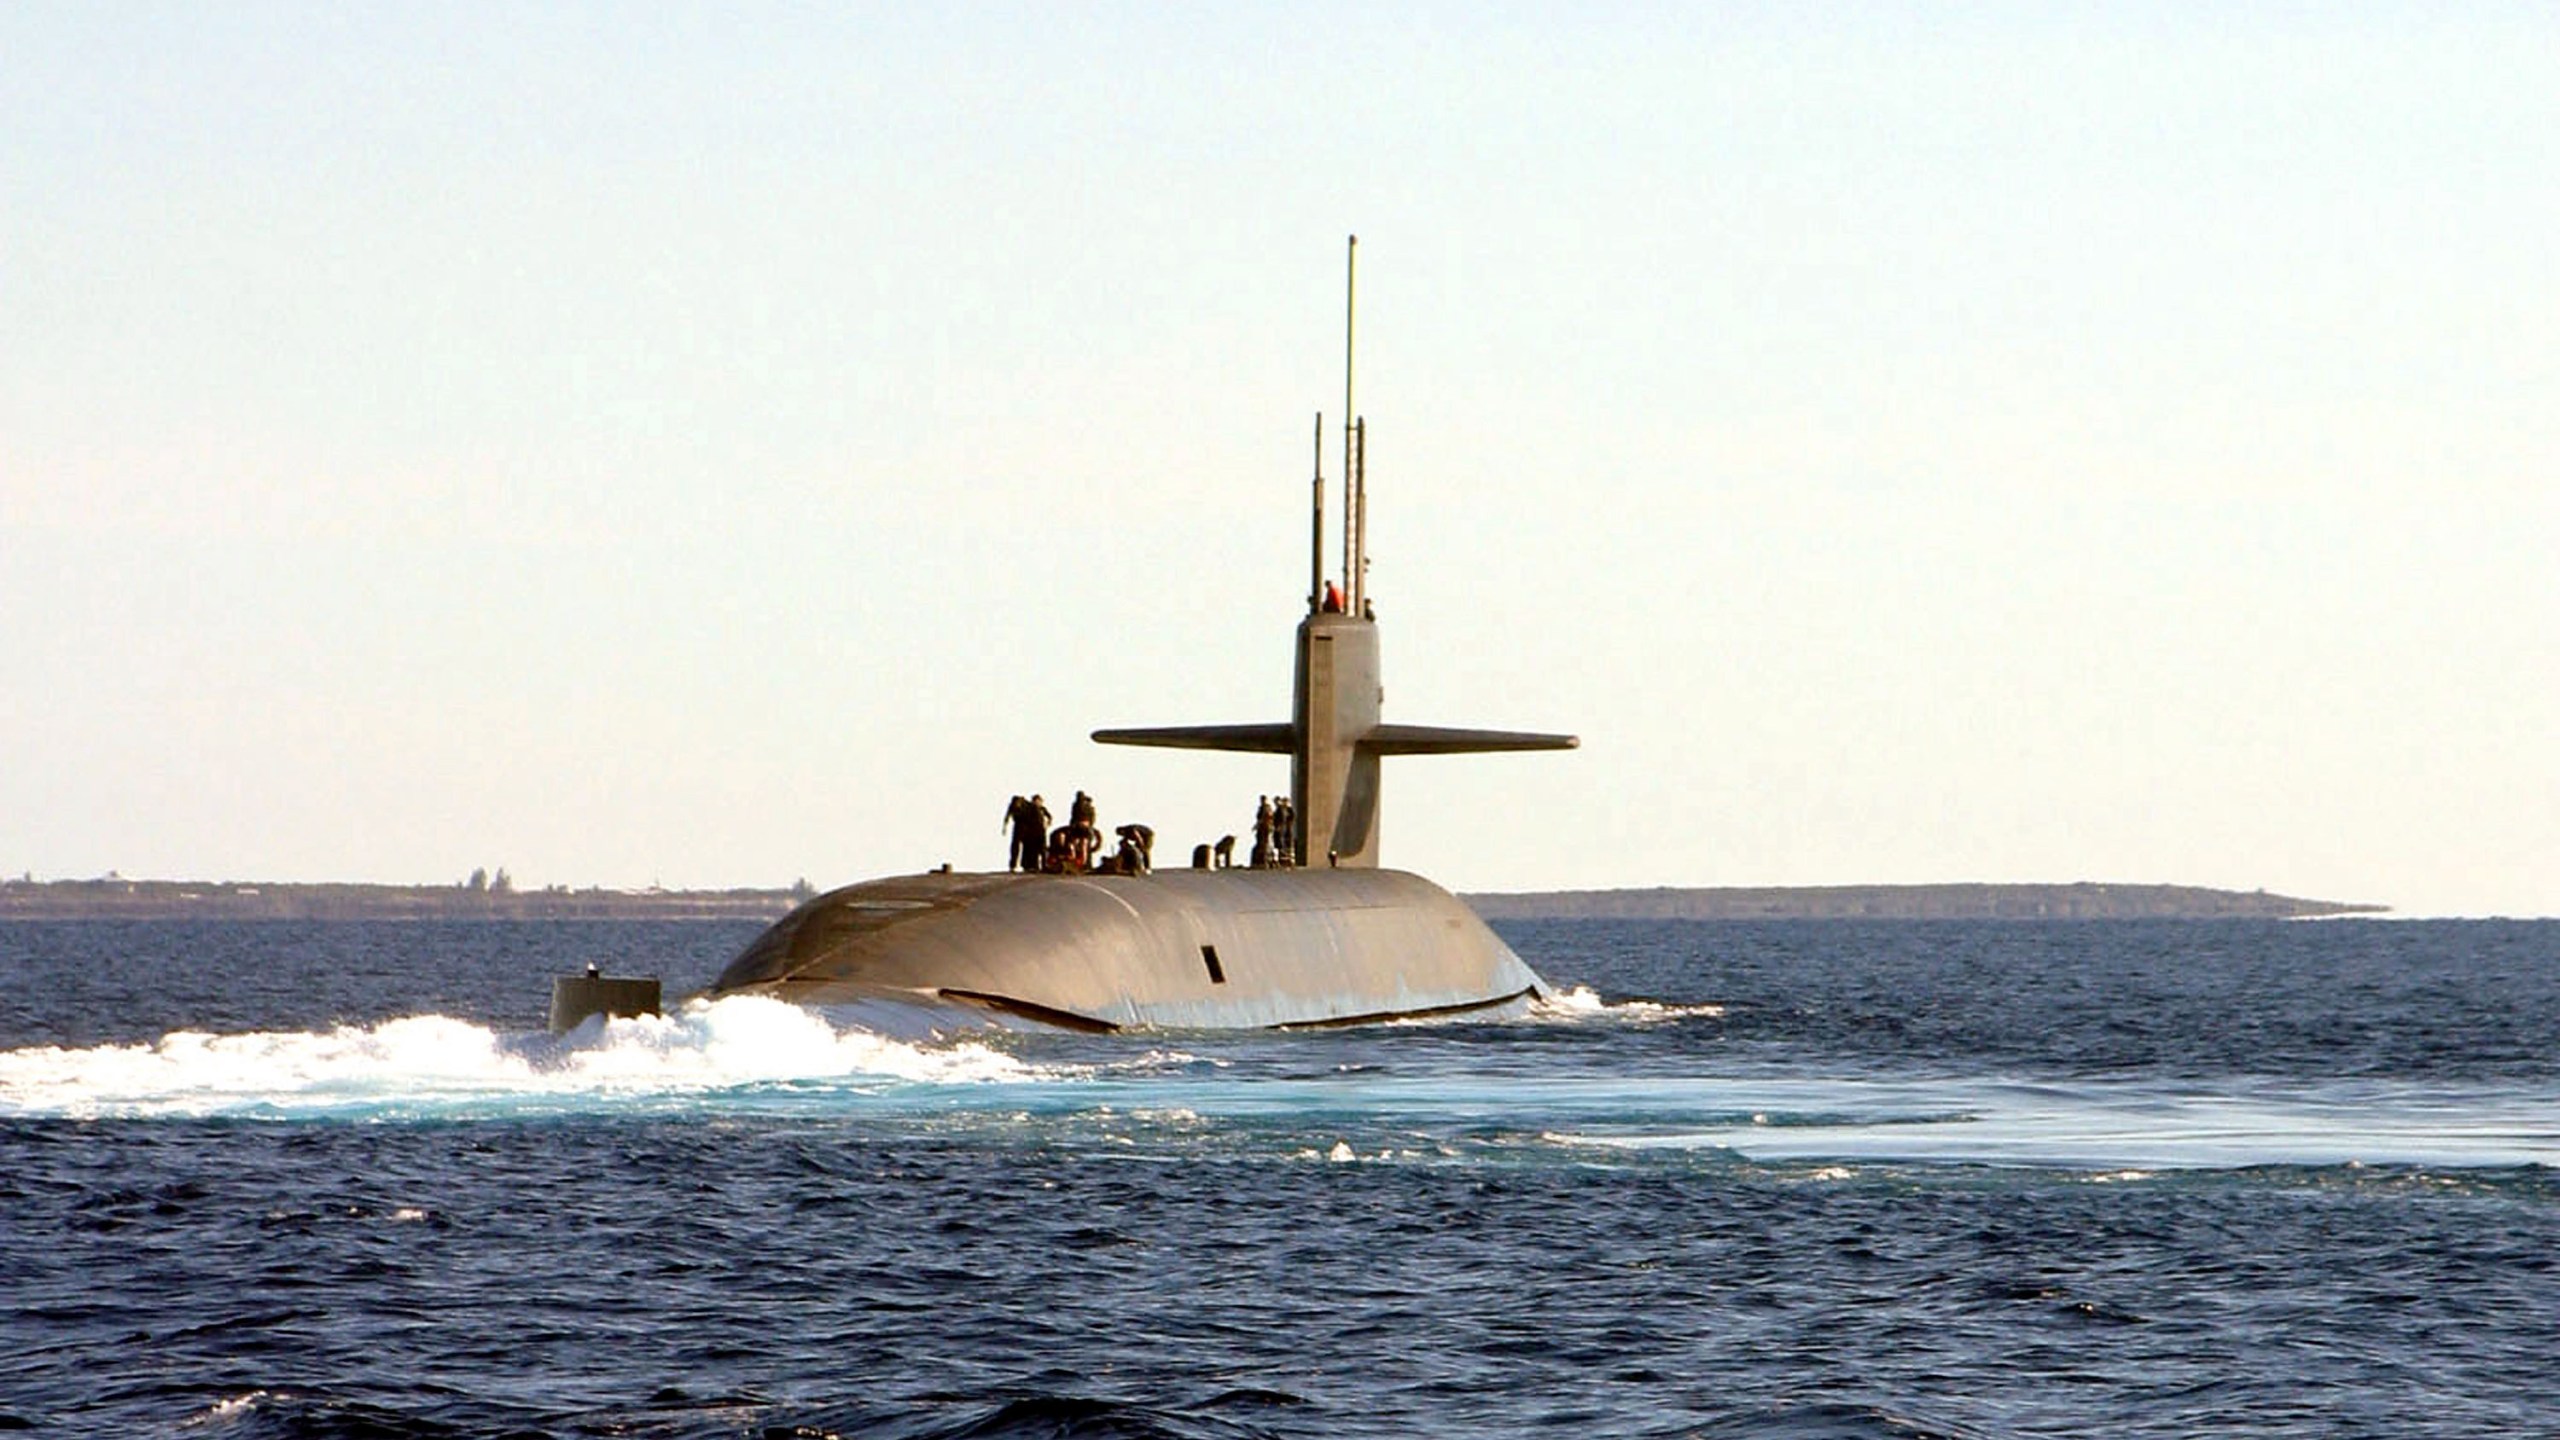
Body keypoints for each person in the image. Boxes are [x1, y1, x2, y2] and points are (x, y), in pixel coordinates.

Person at [1251, 796, 1273, 869]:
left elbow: (1262, 818)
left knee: (1263, 844)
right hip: (1264, 828)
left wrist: (1256, 826)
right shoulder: (1267, 808)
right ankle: (1262, 861)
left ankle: (1263, 861)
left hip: (1264, 828)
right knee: (1263, 843)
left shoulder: (1265, 808)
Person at [1273, 796, 1296, 866]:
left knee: (1286, 844)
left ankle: (1288, 860)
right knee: (1280, 844)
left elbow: (1291, 818)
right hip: (1283, 830)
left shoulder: (1287, 810)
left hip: (1286, 830)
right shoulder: (1280, 809)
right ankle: (1282, 860)